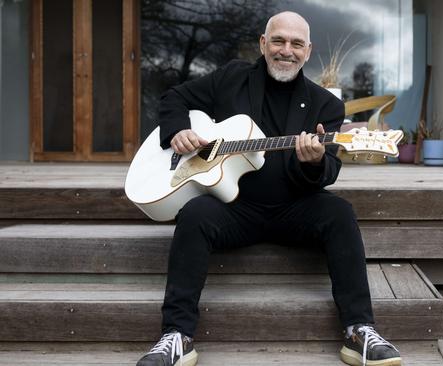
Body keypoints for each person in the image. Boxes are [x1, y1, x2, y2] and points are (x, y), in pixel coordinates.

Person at [136, 11, 401, 366]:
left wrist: (314, 161)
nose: (285, 51)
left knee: (339, 213)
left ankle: (359, 331)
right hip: (234, 208)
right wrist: (177, 132)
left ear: (308, 51)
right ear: (263, 44)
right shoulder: (232, 78)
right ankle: (176, 335)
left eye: (296, 44)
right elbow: (174, 98)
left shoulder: (326, 105)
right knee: (194, 214)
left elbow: (330, 171)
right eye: (278, 41)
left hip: (294, 208)